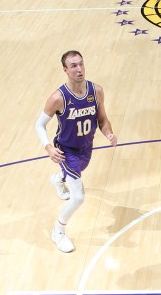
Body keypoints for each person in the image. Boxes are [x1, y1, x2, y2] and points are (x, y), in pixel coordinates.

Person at [34, 50, 117, 254]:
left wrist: (109, 133)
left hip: (85, 148)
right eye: (73, 66)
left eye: (81, 64)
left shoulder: (96, 91)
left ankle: (58, 178)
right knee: (78, 197)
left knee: (76, 174)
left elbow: (102, 120)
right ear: (65, 70)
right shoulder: (58, 98)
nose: (79, 69)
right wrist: (48, 147)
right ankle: (58, 232)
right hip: (66, 149)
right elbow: (39, 125)